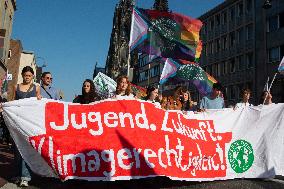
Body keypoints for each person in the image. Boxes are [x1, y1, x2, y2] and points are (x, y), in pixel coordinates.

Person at [12, 66, 41, 187]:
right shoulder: (16, 87)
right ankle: (17, 174)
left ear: (33, 76)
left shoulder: (37, 87)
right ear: (22, 75)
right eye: (25, 75)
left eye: (29, 75)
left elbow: (39, 103)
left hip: (29, 123)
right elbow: (13, 102)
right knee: (17, 148)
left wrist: (39, 99)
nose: (27, 77)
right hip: (17, 121)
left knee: (27, 149)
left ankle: (26, 176)